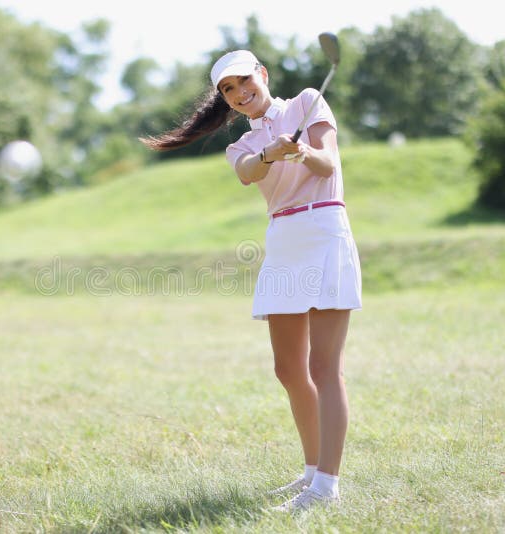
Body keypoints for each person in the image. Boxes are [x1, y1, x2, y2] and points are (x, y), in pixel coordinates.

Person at [142, 50, 362, 513]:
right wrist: (269, 152)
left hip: (323, 230)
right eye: (229, 89)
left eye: (245, 81)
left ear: (262, 75)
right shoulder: (239, 147)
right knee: (288, 370)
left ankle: (327, 487)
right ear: (224, 99)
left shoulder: (306, 102)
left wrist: (301, 150)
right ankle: (310, 472)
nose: (240, 93)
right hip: (284, 238)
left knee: (324, 368)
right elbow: (248, 172)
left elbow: (329, 166)